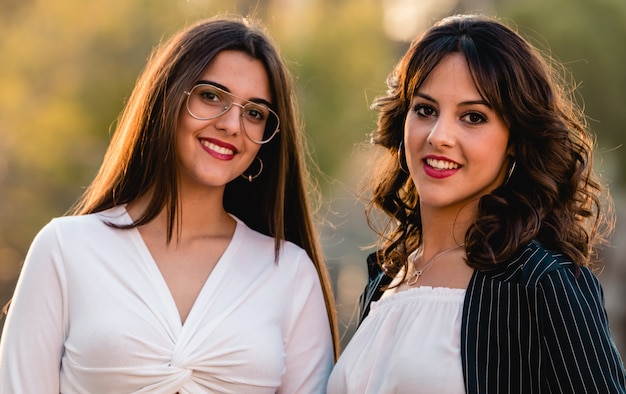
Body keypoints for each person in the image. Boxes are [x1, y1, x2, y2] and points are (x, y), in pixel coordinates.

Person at [0, 15, 339, 393]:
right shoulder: (65, 249)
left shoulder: (288, 273)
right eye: (211, 96)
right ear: (168, 98)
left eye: (254, 113)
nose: (231, 124)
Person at [327, 13, 626, 393]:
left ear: (514, 138)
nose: (439, 136)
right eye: (425, 110)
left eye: (472, 117)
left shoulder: (540, 282)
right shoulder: (386, 278)